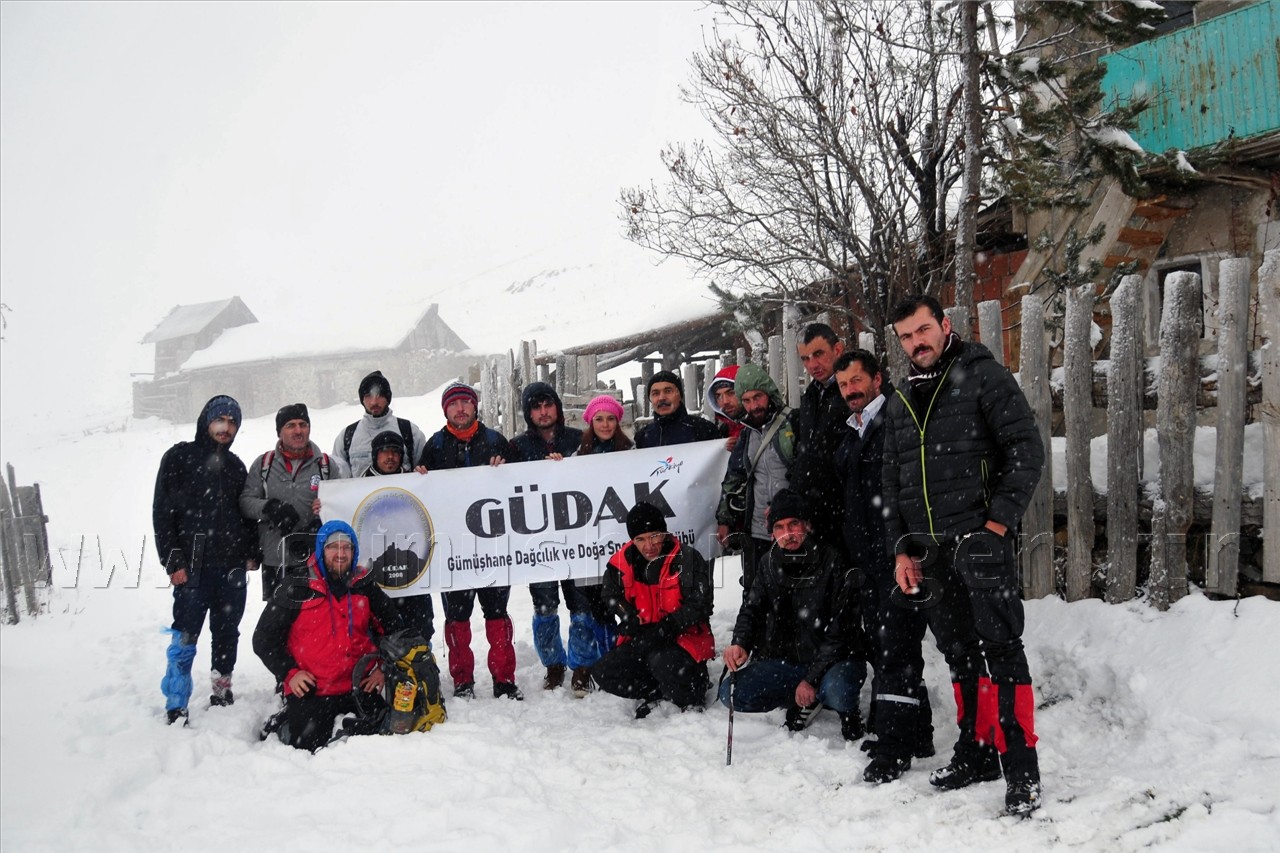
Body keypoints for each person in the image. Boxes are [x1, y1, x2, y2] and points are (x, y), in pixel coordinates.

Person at [880, 294, 1046, 817]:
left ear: (945, 325)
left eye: (923, 330)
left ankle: (1021, 772)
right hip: (929, 551)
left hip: (979, 543)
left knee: (1002, 650)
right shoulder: (903, 396)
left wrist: (995, 524)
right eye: (906, 336)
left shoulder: (983, 376)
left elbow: (1025, 449)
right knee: (958, 652)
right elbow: (893, 480)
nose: (916, 342)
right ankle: (975, 752)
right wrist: (901, 550)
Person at [832, 349, 934, 761]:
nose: (850, 391)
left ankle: (894, 745)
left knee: (897, 649)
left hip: (897, 555)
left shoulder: (895, 417)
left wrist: (906, 549)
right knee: (885, 645)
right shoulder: (852, 429)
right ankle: (919, 733)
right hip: (868, 559)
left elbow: (905, 488)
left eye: (856, 381)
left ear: (877, 378)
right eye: (843, 386)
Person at [719, 489, 867, 741]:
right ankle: (803, 697)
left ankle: (836, 703)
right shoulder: (767, 564)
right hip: (787, 663)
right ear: (772, 533)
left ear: (807, 525)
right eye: (779, 527)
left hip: (834, 661)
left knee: (839, 691)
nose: (787, 534)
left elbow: (842, 631)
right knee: (731, 693)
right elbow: (751, 609)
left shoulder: (833, 560)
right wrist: (740, 642)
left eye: (793, 524)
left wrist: (812, 678)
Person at [252, 520, 404, 752]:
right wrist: (290, 673)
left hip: (356, 687)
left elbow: (395, 629)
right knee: (309, 746)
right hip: (313, 689)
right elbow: (263, 639)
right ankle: (283, 721)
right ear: (321, 549)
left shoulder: (364, 586)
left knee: (379, 735)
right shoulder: (296, 586)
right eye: (334, 547)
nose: (341, 553)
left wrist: (382, 669)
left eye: (347, 547)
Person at [152, 395, 257, 725]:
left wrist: (252, 552)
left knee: (227, 633)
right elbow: (162, 512)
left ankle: (222, 689)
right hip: (192, 566)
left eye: (232, 422)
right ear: (206, 421)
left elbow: (246, 516)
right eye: (220, 420)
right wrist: (173, 561)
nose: (226, 428)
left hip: (232, 567)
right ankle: (176, 700)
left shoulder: (237, 466)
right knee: (186, 633)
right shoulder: (179, 457)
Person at [417, 381, 522, 700]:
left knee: (497, 615)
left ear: (475, 407)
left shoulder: (495, 441)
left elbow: (524, 484)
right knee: (457, 619)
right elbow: (421, 496)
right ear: (445, 410)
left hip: (492, 549)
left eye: (465, 402)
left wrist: (506, 470)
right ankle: (463, 681)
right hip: (453, 551)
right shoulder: (434, 446)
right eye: (454, 404)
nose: (460, 408)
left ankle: (504, 680)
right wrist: (420, 476)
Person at [594, 502, 715, 717]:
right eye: (640, 539)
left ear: (664, 534)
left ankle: (693, 691)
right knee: (604, 671)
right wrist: (627, 615)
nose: (648, 545)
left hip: (683, 638)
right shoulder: (621, 562)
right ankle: (658, 691)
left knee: (662, 660)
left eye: (653, 536)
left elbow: (701, 604)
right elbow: (609, 594)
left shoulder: (687, 559)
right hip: (644, 636)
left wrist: (667, 626)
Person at [510, 382, 584, 692]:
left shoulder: (579, 439)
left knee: (581, 605)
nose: (543, 411)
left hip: (578, 539)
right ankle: (554, 664)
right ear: (529, 413)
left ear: (557, 407)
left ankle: (582, 664)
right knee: (545, 606)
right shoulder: (516, 447)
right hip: (537, 543)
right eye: (536, 407)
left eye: (548, 404)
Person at [240, 403, 350, 601]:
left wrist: (322, 517)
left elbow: (342, 504)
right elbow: (246, 502)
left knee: (316, 618)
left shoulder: (325, 465)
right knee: (278, 622)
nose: (298, 431)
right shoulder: (264, 464)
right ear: (279, 432)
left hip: (315, 558)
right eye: (290, 425)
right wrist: (269, 508)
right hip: (276, 559)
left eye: (303, 424)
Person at [565, 393, 631, 696]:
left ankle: (620, 659)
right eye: (599, 419)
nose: (605, 424)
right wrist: (555, 468)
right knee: (596, 605)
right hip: (590, 548)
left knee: (624, 602)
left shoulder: (633, 452)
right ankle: (597, 663)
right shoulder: (578, 458)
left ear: (618, 422)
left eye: (611, 418)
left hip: (623, 545)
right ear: (590, 423)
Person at [715, 363, 797, 598]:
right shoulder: (747, 433)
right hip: (757, 530)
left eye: (757, 397)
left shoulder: (793, 423)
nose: (753, 406)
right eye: (747, 400)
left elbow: (803, 472)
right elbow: (734, 477)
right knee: (756, 593)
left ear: (768, 394)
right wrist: (724, 519)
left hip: (791, 528)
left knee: (794, 591)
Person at [361, 430, 435, 649]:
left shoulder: (415, 479)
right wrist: (324, 506)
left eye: (395, 452)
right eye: (384, 452)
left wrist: (426, 481)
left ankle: (422, 669)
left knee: (420, 627)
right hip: (377, 576)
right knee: (379, 629)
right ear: (375, 456)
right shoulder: (356, 486)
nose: (390, 457)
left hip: (413, 572)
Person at [791, 323, 849, 557]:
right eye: (805, 358)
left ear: (837, 349)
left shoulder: (854, 390)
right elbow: (806, 454)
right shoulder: (811, 396)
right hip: (816, 512)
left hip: (848, 508)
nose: (812, 365)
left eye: (818, 354)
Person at [332, 370, 428, 476]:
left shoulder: (410, 432)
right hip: (363, 493)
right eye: (368, 396)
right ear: (362, 400)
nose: (374, 402)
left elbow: (423, 475)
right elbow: (338, 480)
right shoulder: (347, 436)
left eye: (380, 395)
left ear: (387, 398)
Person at [634, 370, 720, 448]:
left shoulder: (703, 429)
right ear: (650, 399)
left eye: (668, 391)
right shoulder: (642, 438)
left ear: (679, 395)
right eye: (655, 393)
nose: (661, 398)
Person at [705, 364, 744, 452]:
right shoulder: (723, 430)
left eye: (731, 393)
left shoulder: (762, 425)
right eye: (718, 396)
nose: (725, 401)